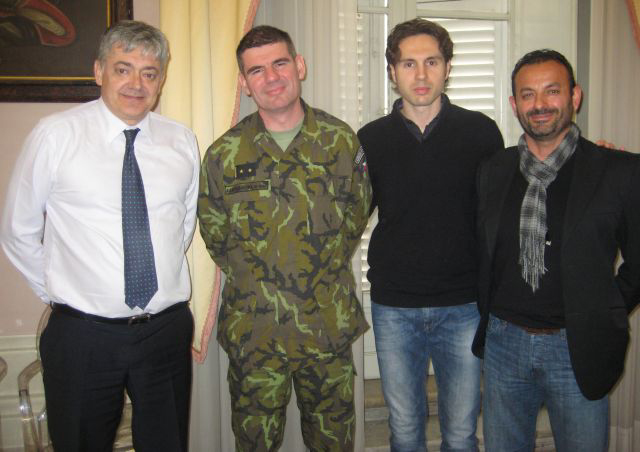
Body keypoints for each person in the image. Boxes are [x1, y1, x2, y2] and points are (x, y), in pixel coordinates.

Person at [0, 20, 199, 452]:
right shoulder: (55, 135)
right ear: (98, 71)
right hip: (83, 338)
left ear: (161, 79)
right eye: (123, 69)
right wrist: (62, 293)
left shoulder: (181, 141)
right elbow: (17, 230)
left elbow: (181, 227)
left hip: (164, 331)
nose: (136, 84)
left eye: (149, 73)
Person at [197, 25, 371, 451]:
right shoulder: (224, 154)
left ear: (299, 66)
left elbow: (356, 214)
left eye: (279, 63)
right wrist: (265, 282)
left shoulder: (339, 141)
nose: (271, 77)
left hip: (325, 326)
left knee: (333, 443)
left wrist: (313, 273)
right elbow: (215, 233)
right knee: (255, 443)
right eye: (256, 70)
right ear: (244, 83)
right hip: (255, 332)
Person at [472, 49, 640, 451]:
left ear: (574, 96)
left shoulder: (619, 171)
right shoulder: (493, 170)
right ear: (514, 104)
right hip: (504, 344)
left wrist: (607, 308)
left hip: (577, 346)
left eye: (552, 91)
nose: (540, 104)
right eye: (527, 94)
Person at [357, 18, 504, 452]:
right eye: (408, 64)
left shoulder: (481, 133)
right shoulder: (370, 139)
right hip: (394, 306)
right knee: (404, 430)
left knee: (460, 433)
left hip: (463, 305)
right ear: (392, 71)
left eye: (432, 62)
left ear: (448, 67)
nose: (421, 75)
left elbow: (501, 213)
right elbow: (349, 215)